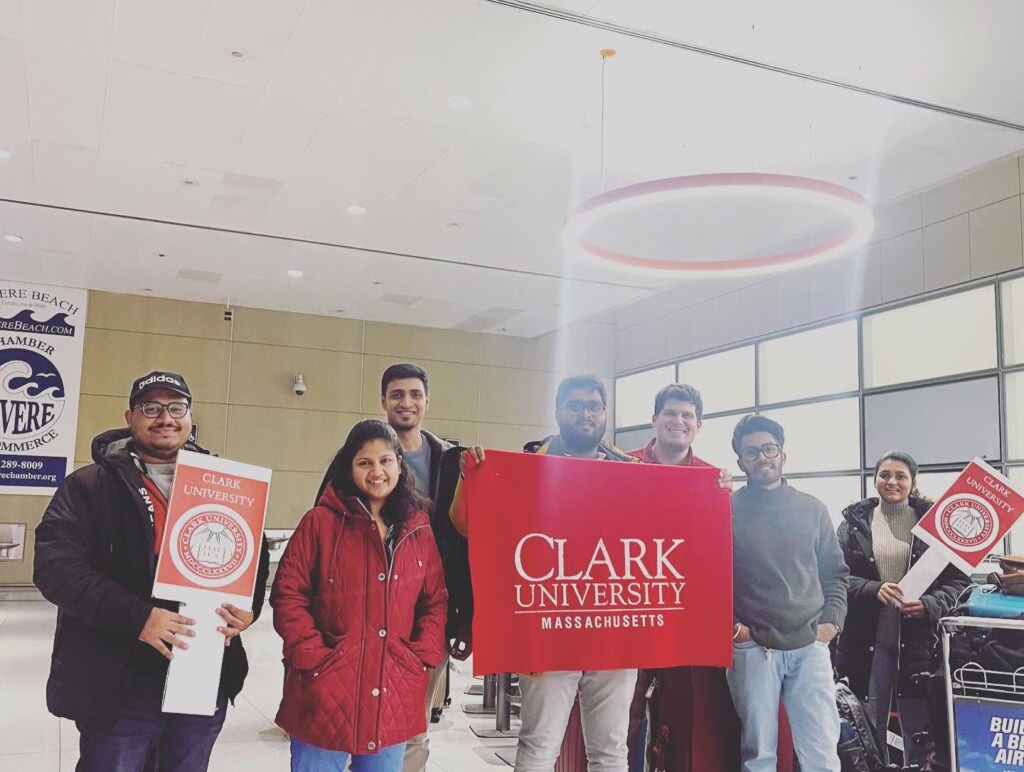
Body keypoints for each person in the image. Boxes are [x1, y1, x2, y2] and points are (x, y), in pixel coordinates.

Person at [33, 370, 270, 772]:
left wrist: (249, 609)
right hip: (118, 681)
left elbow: (254, 559)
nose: (165, 417)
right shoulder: (89, 486)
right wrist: (140, 617)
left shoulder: (226, 486)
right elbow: (56, 568)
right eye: (151, 408)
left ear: (190, 417)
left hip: (201, 676)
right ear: (130, 416)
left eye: (176, 407)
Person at [455, 374, 640, 772]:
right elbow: (468, 525)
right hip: (548, 628)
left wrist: (714, 490)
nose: (586, 413)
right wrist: (471, 478)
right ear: (557, 412)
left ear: (606, 413)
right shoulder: (523, 466)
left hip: (613, 634)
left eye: (594, 406)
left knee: (610, 753)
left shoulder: (632, 472)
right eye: (575, 405)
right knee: (539, 749)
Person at [315, 363, 472, 772]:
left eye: (415, 394)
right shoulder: (352, 460)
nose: (406, 402)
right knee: (350, 724)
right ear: (383, 400)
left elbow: (465, 538)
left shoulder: (452, 461)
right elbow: (321, 539)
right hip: (357, 619)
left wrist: (462, 618)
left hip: (423, 618)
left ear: (427, 401)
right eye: (397, 394)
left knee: (412, 728)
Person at [273, 419, 448, 771]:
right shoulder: (320, 524)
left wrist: (419, 656)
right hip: (325, 691)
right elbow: (288, 594)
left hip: (394, 689)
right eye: (364, 462)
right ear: (348, 467)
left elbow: (435, 600)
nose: (377, 472)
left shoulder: (418, 528)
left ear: (400, 464)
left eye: (385, 461)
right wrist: (312, 656)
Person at [626, 384, 738, 772]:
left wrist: (725, 501)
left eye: (687, 416)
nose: (679, 422)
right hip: (629, 613)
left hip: (683, 616)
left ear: (698, 425)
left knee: (686, 722)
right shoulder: (621, 468)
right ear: (654, 420)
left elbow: (719, 551)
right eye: (671, 414)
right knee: (623, 720)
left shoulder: (713, 480)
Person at [728, 414, 849, 772]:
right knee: (759, 755)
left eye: (769, 449)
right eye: (751, 453)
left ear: (783, 455)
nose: (762, 457)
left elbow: (836, 574)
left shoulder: (812, 509)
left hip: (810, 644)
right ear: (741, 462)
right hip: (753, 648)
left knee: (822, 752)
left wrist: (830, 626)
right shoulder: (727, 510)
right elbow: (712, 579)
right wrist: (736, 631)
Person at [835, 451, 969, 767]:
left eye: (900, 476)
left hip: (920, 644)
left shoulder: (938, 525)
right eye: (884, 475)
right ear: (875, 479)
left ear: (912, 482)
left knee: (919, 727)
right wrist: (872, 589)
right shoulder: (853, 524)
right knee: (869, 723)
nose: (891, 482)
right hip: (866, 644)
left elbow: (958, 579)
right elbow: (835, 576)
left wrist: (931, 604)